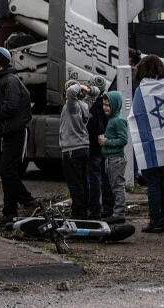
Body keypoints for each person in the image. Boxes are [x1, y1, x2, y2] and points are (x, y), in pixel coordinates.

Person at [0, 47, 35, 224]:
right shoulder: (5, 80)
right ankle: (9, 213)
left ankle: (28, 201)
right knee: (7, 173)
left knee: (6, 172)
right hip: (9, 133)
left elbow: (11, 107)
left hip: (15, 133)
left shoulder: (9, 81)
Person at [129, 55, 164, 233]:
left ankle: (155, 220)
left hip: (150, 143)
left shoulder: (142, 90)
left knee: (153, 183)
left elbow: (137, 117)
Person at [60, 79, 101, 219]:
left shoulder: (72, 106)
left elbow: (71, 92)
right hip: (83, 148)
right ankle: (84, 210)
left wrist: (79, 86)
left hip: (71, 149)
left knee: (74, 183)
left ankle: (78, 213)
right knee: (83, 181)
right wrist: (88, 90)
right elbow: (96, 92)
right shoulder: (84, 105)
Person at [99, 91, 128, 224]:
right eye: (104, 104)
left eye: (108, 105)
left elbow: (123, 140)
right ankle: (116, 212)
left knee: (118, 187)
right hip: (110, 159)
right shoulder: (112, 119)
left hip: (116, 159)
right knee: (114, 186)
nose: (105, 107)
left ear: (115, 105)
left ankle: (119, 213)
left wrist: (106, 142)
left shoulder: (118, 120)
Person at [86, 91, 114, 220]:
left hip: (94, 147)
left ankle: (95, 209)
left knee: (94, 179)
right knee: (107, 178)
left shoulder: (89, 106)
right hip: (106, 146)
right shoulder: (110, 105)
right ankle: (109, 208)